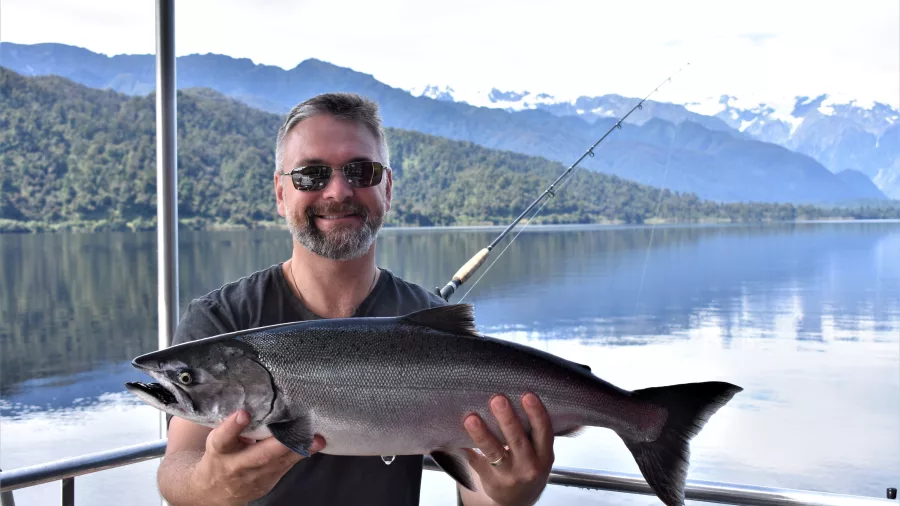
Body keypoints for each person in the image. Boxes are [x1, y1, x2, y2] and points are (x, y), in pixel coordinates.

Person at [156, 92, 556, 506]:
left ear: (387, 187)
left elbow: (479, 488)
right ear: (280, 192)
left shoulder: (433, 322)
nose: (337, 191)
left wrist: (512, 492)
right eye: (311, 174)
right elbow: (177, 467)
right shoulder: (223, 320)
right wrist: (207, 484)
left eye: (360, 171)